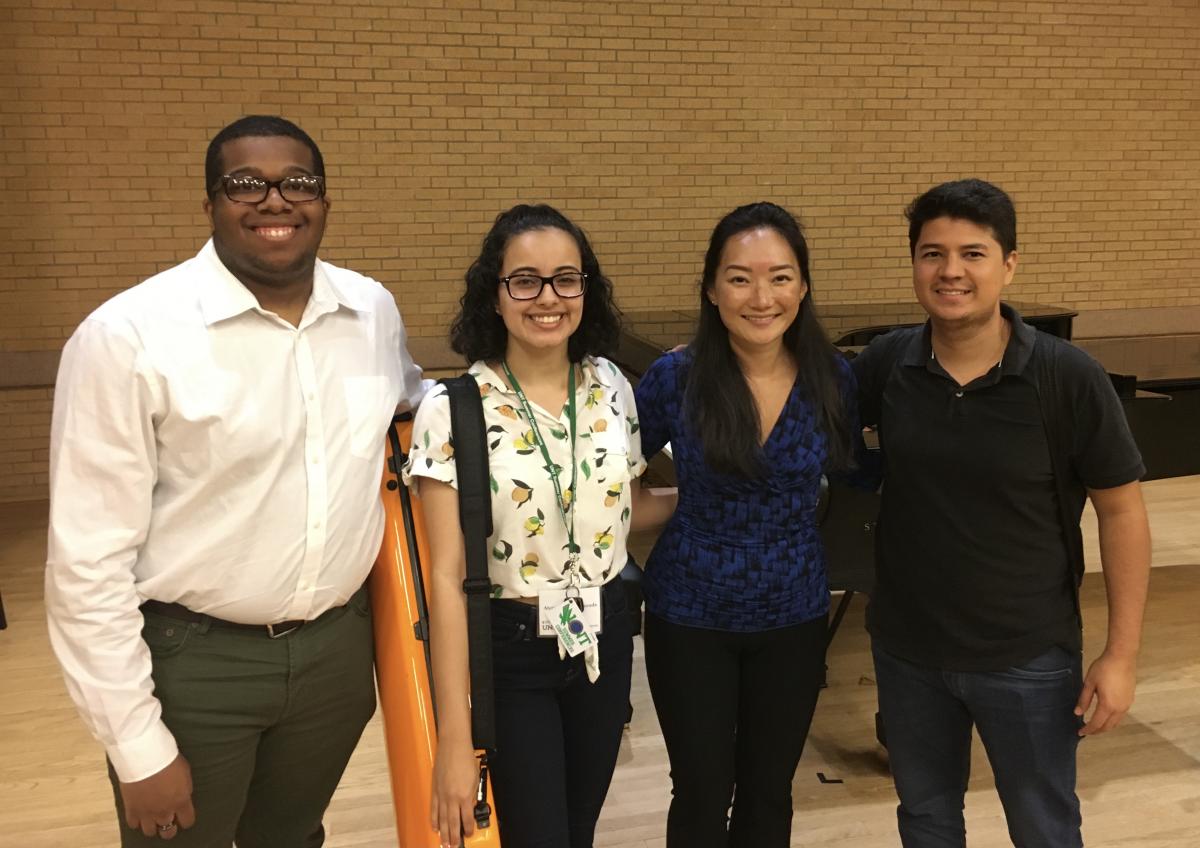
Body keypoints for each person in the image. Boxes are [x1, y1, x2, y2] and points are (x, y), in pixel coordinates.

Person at [45, 115, 429, 847]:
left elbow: (411, 400)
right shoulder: (129, 336)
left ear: (325, 199)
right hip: (196, 666)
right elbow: (85, 564)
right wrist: (135, 745)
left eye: (298, 183)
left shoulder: (369, 310)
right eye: (247, 184)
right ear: (211, 202)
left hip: (337, 659)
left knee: (290, 837)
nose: (275, 201)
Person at [853, 178, 1152, 847]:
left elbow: (1123, 513)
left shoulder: (1067, 377)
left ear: (1009, 263)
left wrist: (1121, 655)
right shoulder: (885, 365)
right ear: (914, 264)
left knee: (1044, 826)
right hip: (908, 650)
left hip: (1028, 656)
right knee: (926, 819)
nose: (950, 270)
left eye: (973, 253)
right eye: (932, 253)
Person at [404, 204, 676, 848]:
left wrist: (711, 497)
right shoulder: (452, 409)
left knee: (577, 829)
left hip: (602, 639)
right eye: (524, 280)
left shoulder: (610, 385)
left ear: (587, 288)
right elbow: (444, 580)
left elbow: (621, 511)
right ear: (493, 296)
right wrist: (453, 739)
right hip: (509, 648)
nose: (547, 298)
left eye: (566, 279)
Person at [633, 201, 862, 847]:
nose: (761, 296)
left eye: (780, 276)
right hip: (688, 613)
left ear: (804, 285)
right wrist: (692, 500)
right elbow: (617, 478)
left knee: (768, 794)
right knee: (701, 793)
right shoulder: (676, 377)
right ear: (711, 288)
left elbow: (858, 474)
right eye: (739, 277)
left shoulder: (834, 379)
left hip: (792, 614)